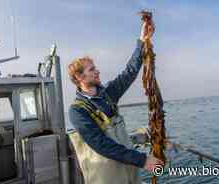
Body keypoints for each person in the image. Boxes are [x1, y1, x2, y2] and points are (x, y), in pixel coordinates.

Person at [67, 19, 163, 184]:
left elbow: (130, 71)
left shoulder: (108, 94)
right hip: (107, 177)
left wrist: (142, 40)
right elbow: (101, 144)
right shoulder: (77, 111)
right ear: (79, 77)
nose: (97, 71)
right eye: (92, 69)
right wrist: (142, 160)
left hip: (129, 170)